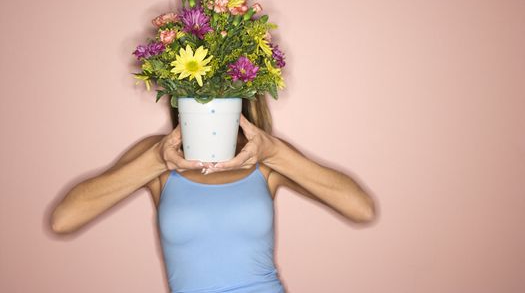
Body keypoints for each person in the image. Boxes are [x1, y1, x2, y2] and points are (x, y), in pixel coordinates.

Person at [50, 94, 376, 293]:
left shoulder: (264, 157)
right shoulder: (157, 157)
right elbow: (64, 219)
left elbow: (361, 208)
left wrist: (274, 152)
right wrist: (155, 160)